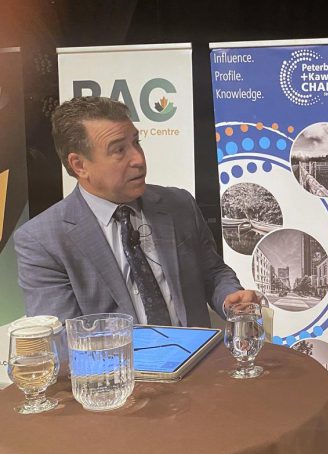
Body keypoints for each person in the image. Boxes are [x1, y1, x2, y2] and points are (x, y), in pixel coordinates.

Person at [14, 96, 256, 327]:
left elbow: (213, 272)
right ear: (80, 165)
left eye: (136, 143)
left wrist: (229, 299)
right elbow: (64, 338)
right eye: (119, 150)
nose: (138, 159)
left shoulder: (178, 204)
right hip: (115, 368)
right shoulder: (42, 240)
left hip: (200, 364)